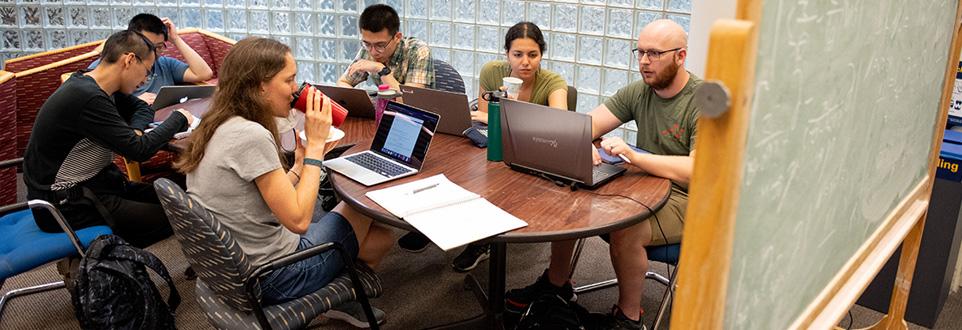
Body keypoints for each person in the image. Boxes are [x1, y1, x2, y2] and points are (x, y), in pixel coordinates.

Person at [175, 37, 394, 328]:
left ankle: (333, 295)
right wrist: (315, 149)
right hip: (276, 275)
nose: (296, 89)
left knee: (380, 237)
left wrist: (301, 165)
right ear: (260, 85)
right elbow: (300, 220)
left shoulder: (219, 122)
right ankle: (323, 294)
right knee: (364, 199)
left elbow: (261, 196)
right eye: (289, 80)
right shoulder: (250, 136)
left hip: (241, 263)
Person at [503, 19, 700, 330]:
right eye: (640, 52)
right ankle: (556, 284)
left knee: (628, 230)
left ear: (681, 56)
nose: (645, 62)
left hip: (689, 199)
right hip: (647, 184)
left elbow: (696, 172)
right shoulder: (639, 91)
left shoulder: (702, 101)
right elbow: (585, 126)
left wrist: (635, 156)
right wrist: (579, 143)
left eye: (655, 54)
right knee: (574, 192)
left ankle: (629, 318)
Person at [396, 22, 570, 273]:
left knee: (491, 184)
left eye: (533, 55)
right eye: (517, 54)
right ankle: (436, 225)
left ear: (541, 54)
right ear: (507, 54)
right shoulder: (492, 71)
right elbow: (482, 116)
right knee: (456, 170)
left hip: (530, 157)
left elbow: (560, 123)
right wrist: (499, 115)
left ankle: (483, 242)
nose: (525, 62)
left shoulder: (552, 82)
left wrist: (508, 112)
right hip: (492, 143)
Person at [23, 30, 194, 248]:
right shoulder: (87, 97)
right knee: (180, 216)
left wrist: (136, 132)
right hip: (64, 205)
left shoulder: (96, 85)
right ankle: (97, 259)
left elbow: (142, 109)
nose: (144, 81)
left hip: (98, 186)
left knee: (182, 200)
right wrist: (179, 118)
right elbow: (139, 151)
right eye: (146, 72)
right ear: (129, 60)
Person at [88, 13, 214, 104]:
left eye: (158, 47)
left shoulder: (164, 64)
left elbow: (204, 73)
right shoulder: (108, 67)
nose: (153, 53)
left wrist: (175, 39)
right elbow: (97, 103)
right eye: (148, 45)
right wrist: (133, 103)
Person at [336, 4, 433, 90]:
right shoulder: (368, 49)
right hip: (386, 108)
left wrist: (381, 70)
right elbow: (342, 83)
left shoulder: (418, 51)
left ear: (397, 37)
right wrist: (363, 100)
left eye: (380, 45)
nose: (373, 52)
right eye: (367, 44)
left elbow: (411, 102)